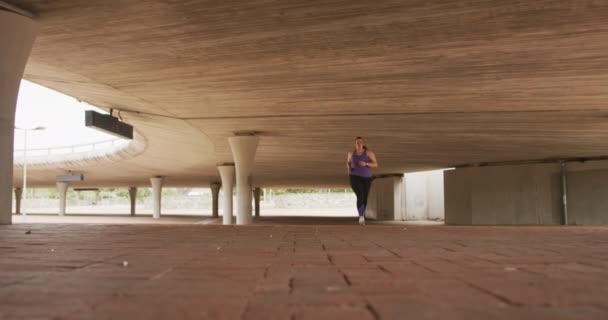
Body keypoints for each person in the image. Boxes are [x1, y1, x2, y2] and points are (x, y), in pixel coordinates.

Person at [346, 136, 378, 225]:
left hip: (367, 178)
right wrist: (349, 169)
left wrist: (366, 163)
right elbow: (348, 162)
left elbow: (375, 164)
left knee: (364, 197)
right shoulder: (350, 154)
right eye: (357, 142)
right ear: (355, 144)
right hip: (354, 177)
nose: (359, 143)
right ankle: (361, 216)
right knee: (360, 195)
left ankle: (362, 215)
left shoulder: (369, 153)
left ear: (363, 143)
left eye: (361, 142)